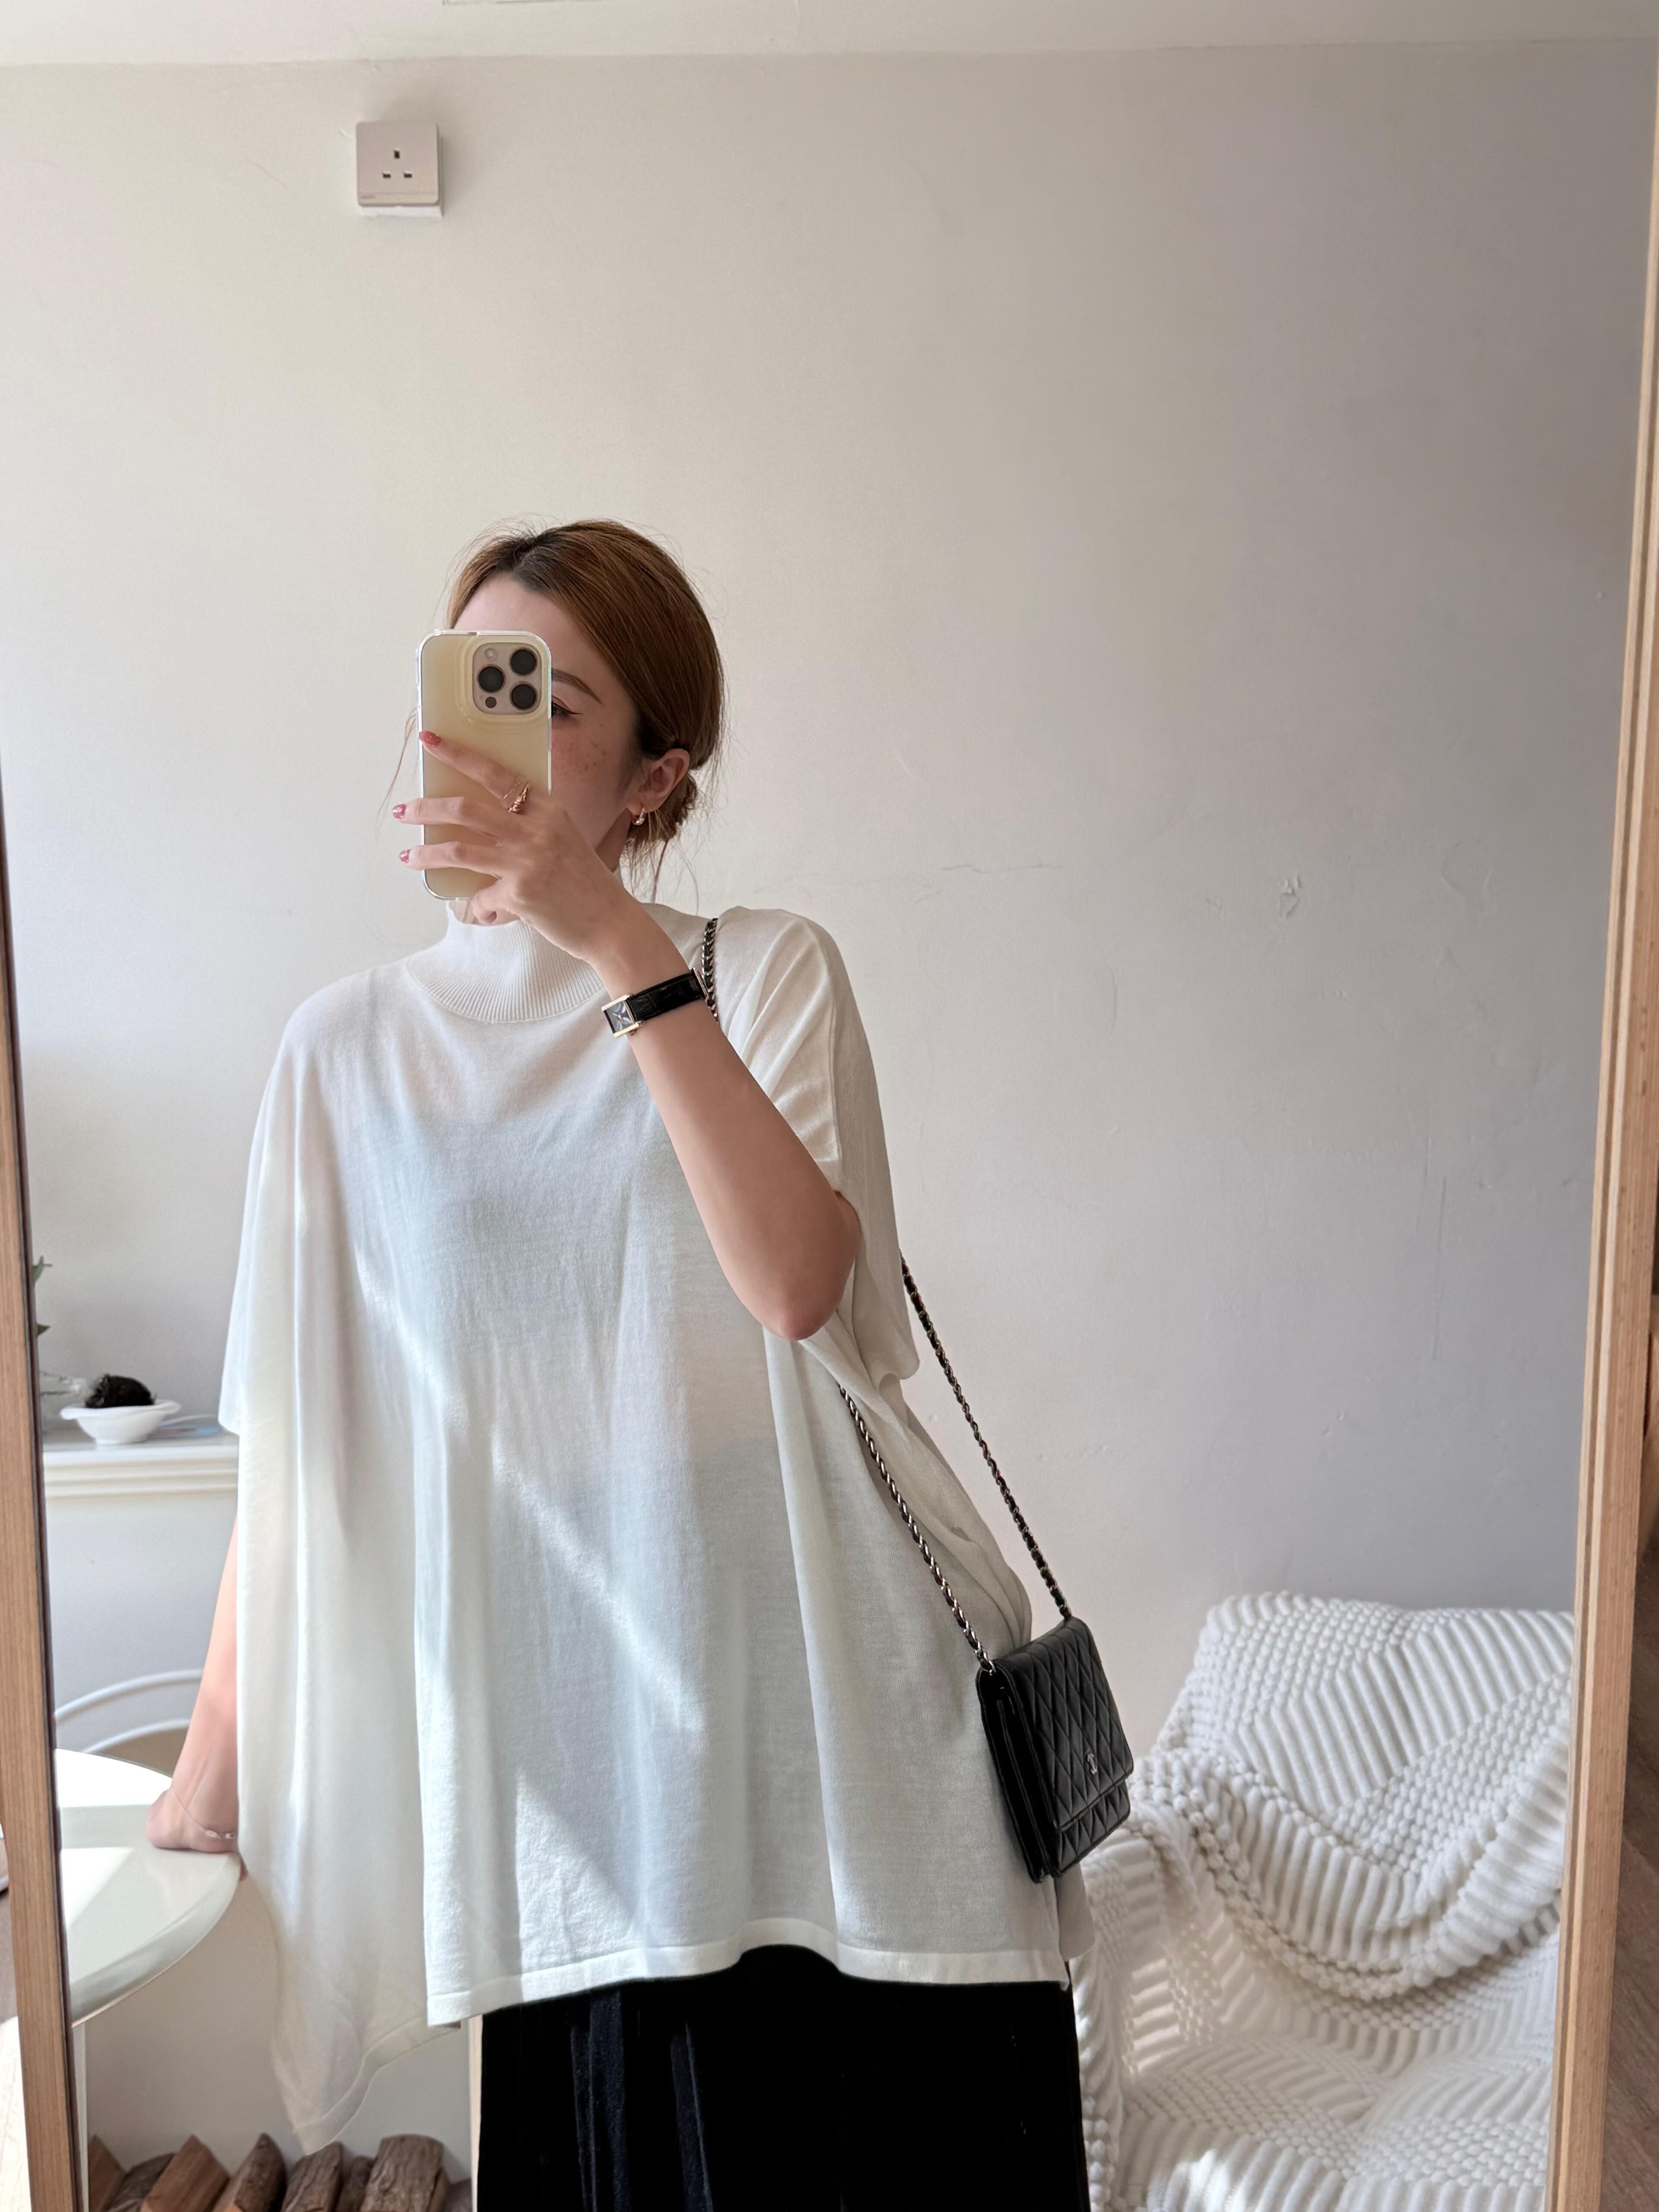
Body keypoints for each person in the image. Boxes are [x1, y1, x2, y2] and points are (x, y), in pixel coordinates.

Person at [149, 521, 1093, 2208]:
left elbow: (795, 1286)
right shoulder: (345, 1054)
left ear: (656, 779)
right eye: (467, 681)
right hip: (579, 1802)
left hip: (850, 1767)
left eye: (549, 699)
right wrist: (211, 1770)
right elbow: (308, 1442)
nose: (483, 732)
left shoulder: (763, 971)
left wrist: (614, 942)